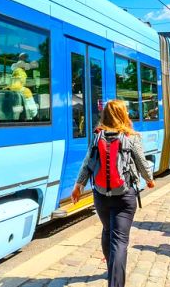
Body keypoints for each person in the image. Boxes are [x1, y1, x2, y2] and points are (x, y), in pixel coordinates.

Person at [71, 100, 154, 287]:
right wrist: (149, 179)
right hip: (124, 196)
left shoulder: (96, 136)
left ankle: (112, 269)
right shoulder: (131, 137)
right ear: (123, 114)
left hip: (101, 196)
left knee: (108, 231)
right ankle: (115, 280)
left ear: (105, 115)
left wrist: (78, 185)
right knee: (120, 240)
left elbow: (87, 163)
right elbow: (141, 161)